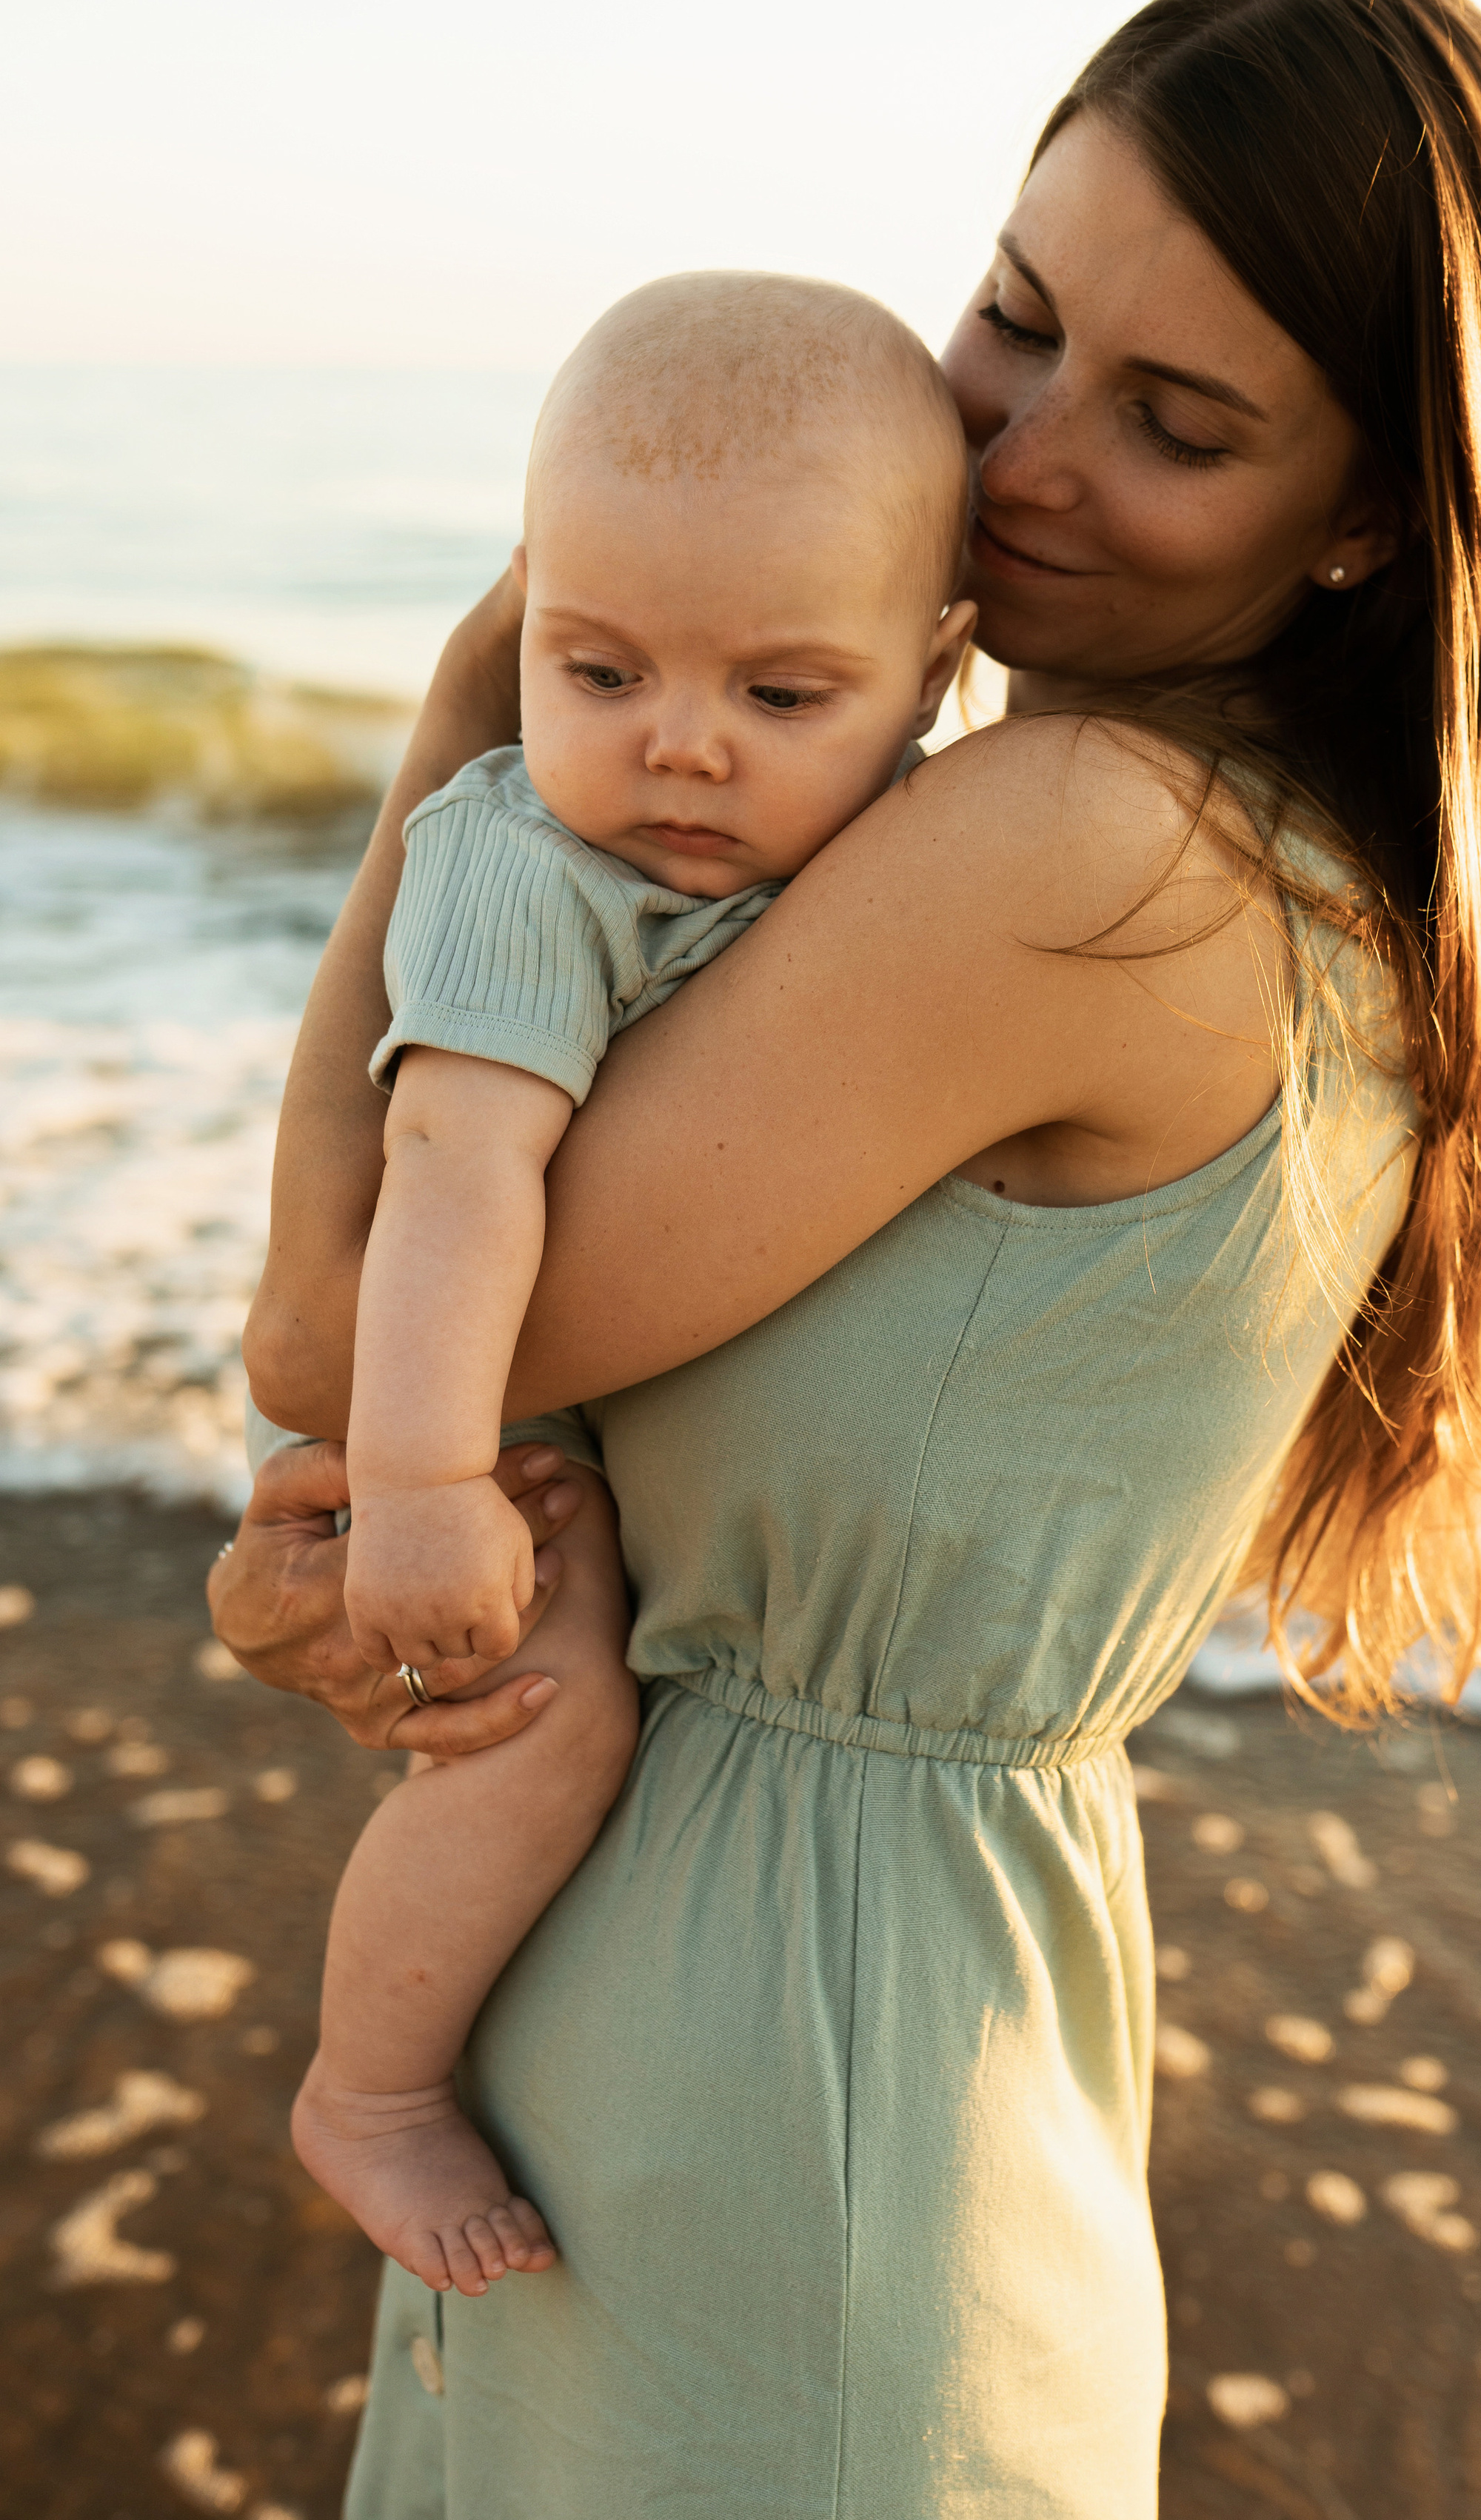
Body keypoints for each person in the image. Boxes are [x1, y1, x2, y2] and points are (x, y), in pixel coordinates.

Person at [215, 0, 1481, 2516]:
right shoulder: (1273, 860)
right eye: (1016, 318)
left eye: (1178, 426)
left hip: (765, 2097)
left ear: (1368, 521)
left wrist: (474, 739)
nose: (1019, 459)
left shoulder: (1079, 855)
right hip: (868, 2024)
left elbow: (329, 1326)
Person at [292, 274, 975, 2298]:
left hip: (546, 1350)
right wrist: (421, 1484)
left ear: (934, 675)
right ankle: (371, 2090)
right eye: (597, 672)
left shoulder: (907, 839)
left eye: (780, 698)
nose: (677, 748)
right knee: (558, 1716)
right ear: (530, 621)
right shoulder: (535, 870)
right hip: (455, 1372)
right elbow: (450, 1169)